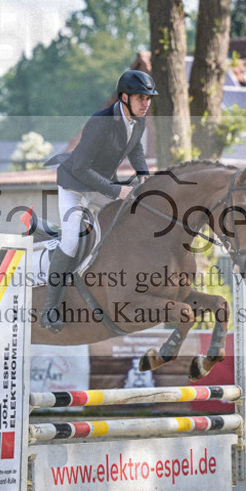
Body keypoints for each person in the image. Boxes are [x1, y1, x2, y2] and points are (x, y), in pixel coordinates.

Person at [40, 69, 157, 332]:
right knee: (71, 241)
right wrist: (116, 191)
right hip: (74, 187)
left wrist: (143, 174)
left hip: (101, 186)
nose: (146, 103)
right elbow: (80, 168)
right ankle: (49, 309)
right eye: (141, 97)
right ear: (124, 97)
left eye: (149, 98)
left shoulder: (137, 121)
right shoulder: (100, 122)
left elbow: (136, 148)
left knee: (126, 223)